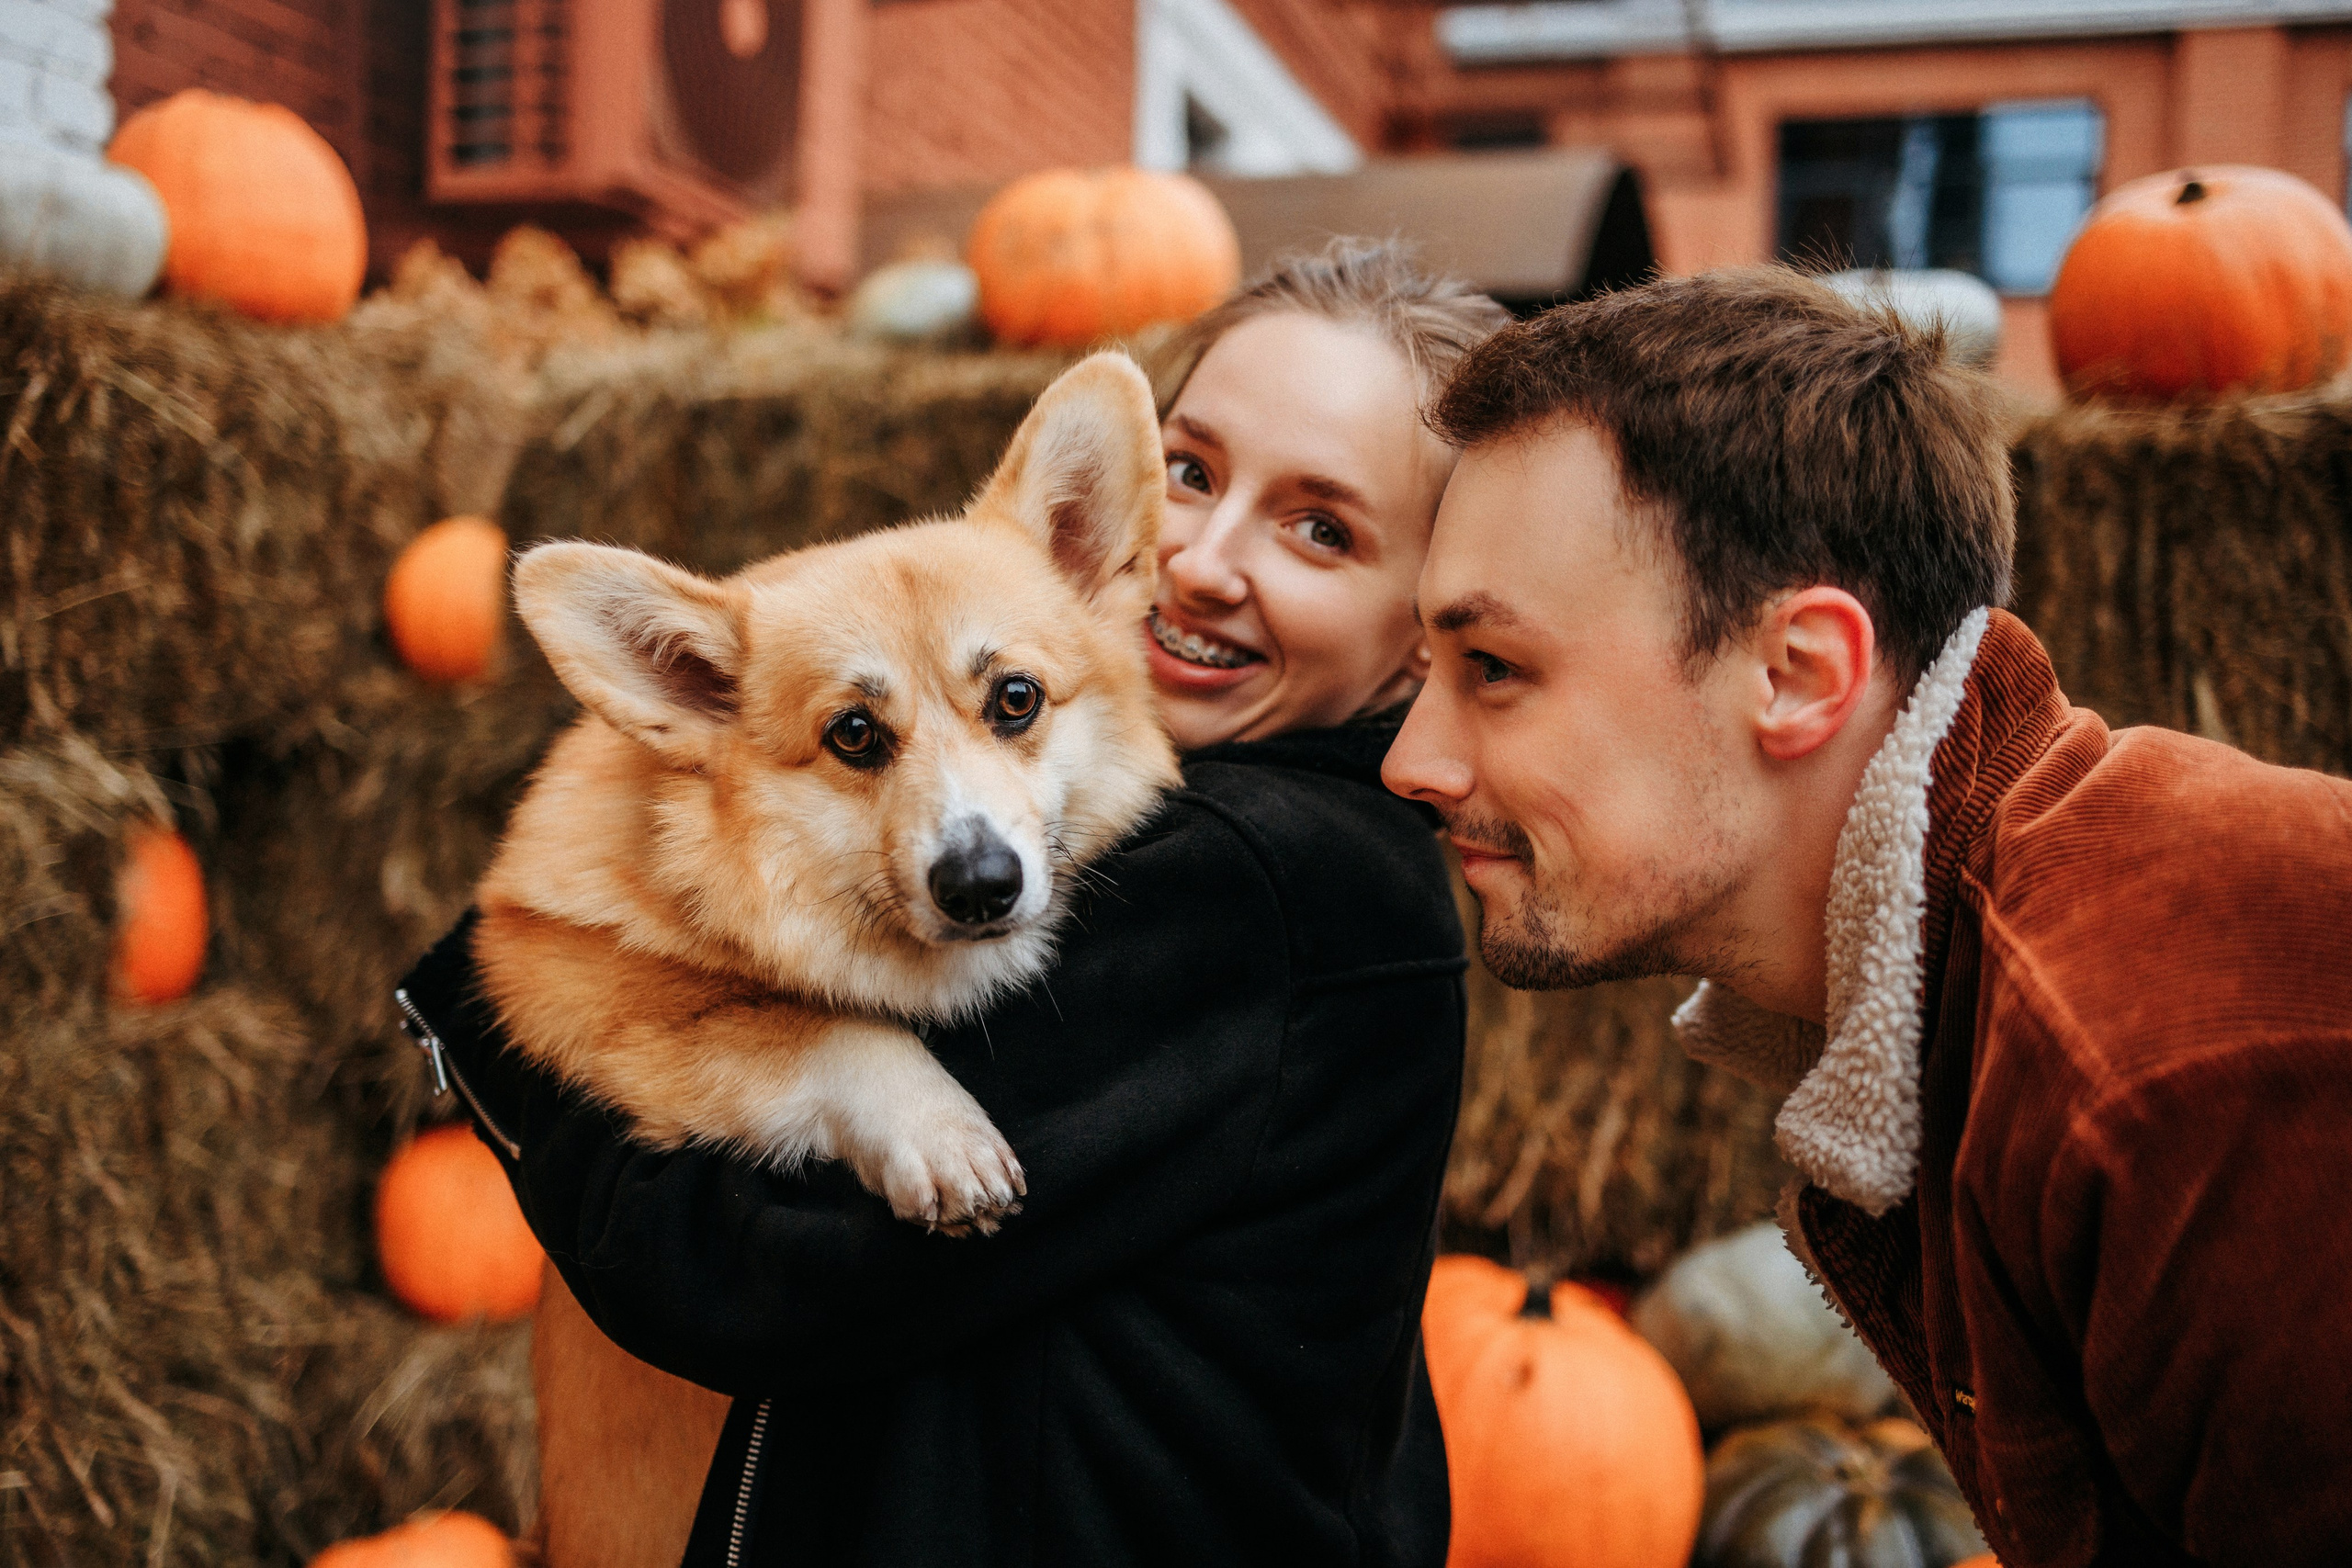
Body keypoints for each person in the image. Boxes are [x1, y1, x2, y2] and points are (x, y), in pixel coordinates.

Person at [397, 240, 1511, 1568]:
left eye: (1321, 529)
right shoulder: (1233, 817)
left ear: (1427, 621)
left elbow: (741, 1271)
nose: (1198, 562)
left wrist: (526, 1033)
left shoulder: (1257, 881)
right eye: (1192, 474)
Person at [1383, 267, 2352, 1566]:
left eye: (1494, 668)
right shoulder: (1986, 995)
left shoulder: (2156, 1077)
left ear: (1798, 673)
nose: (1411, 760)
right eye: (1425, 671)